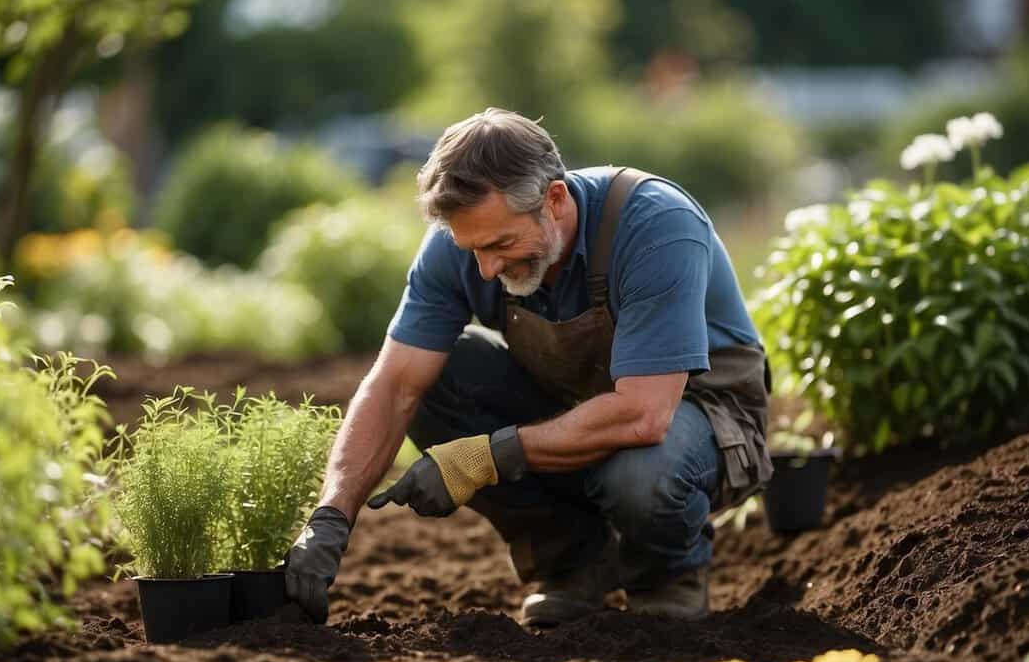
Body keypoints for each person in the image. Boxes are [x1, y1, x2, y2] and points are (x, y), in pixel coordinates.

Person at [284, 108, 772, 628]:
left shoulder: (656, 227)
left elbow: (644, 415)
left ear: (554, 200)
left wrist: (486, 456)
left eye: (501, 245)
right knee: (439, 378)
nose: (487, 269)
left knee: (641, 473)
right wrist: (330, 517)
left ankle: (666, 578)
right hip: (580, 406)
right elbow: (394, 383)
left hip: (701, 416)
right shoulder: (465, 246)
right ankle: (577, 563)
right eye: (472, 249)